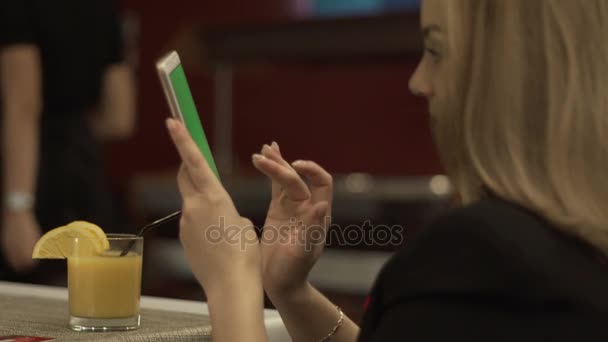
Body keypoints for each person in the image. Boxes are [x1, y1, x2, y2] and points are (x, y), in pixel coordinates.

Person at [165, 0, 608, 340]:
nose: (419, 80)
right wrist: (290, 291)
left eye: (435, 49)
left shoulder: (485, 257)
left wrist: (230, 283)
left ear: (509, 72)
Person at [0, 0, 136, 278]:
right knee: (80, 302)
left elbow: (23, 105)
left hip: (27, 182)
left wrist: (17, 207)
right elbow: (120, 118)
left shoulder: (16, 7)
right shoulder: (103, 9)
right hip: (84, 175)